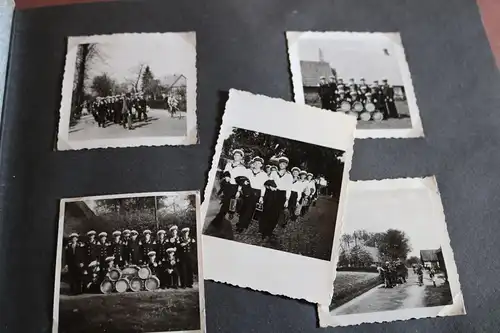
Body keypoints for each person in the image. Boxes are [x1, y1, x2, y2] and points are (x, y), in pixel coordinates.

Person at [236, 156, 268, 232]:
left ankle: (242, 225)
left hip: (256, 193)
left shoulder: (264, 175)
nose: (257, 164)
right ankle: (241, 222)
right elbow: (241, 182)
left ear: (261, 165)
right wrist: (238, 191)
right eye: (255, 163)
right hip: (246, 191)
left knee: (249, 210)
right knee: (243, 207)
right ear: (253, 164)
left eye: (259, 163)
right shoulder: (248, 171)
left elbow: (263, 187)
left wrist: (261, 197)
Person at [220, 149, 248, 218]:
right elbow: (225, 171)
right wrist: (226, 176)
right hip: (227, 185)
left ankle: (230, 212)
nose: (236, 157)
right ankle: (223, 213)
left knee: (233, 200)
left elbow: (242, 180)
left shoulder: (243, 168)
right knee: (226, 200)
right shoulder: (229, 164)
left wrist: (238, 191)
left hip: (235, 186)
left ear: (241, 157)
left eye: (238, 155)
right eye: (235, 155)